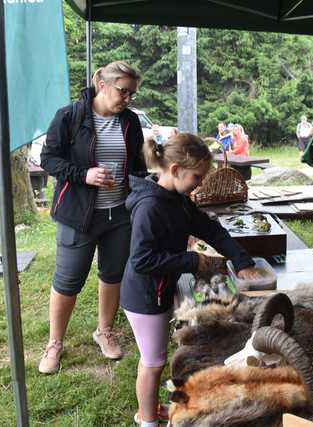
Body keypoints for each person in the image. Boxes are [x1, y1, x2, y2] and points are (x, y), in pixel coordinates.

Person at [122, 133, 256, 427]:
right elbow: (142, 260)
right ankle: (147, 421)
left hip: (157, 291)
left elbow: (210, 229)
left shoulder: (178, 200)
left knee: (153, 358)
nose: (200, 183)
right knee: (153, 362)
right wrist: (191, 261)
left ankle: (148, 409)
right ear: (174, 170)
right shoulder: (150, 207)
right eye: (197, 177)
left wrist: (241, 259)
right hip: (144, 297)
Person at [38, 60, 147, 374]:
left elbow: (137, 166)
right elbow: (48, 159)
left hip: (119, 215)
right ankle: (55, 343)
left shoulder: (129, 122)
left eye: (132, 94)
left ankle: (105, 331)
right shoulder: (70, 116)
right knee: (68, 281)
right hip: (78, 215)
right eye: (123, 91)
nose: (127, 99)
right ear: (103, 84)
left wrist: (139, 194)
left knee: (113, 275)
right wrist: (83, 175)